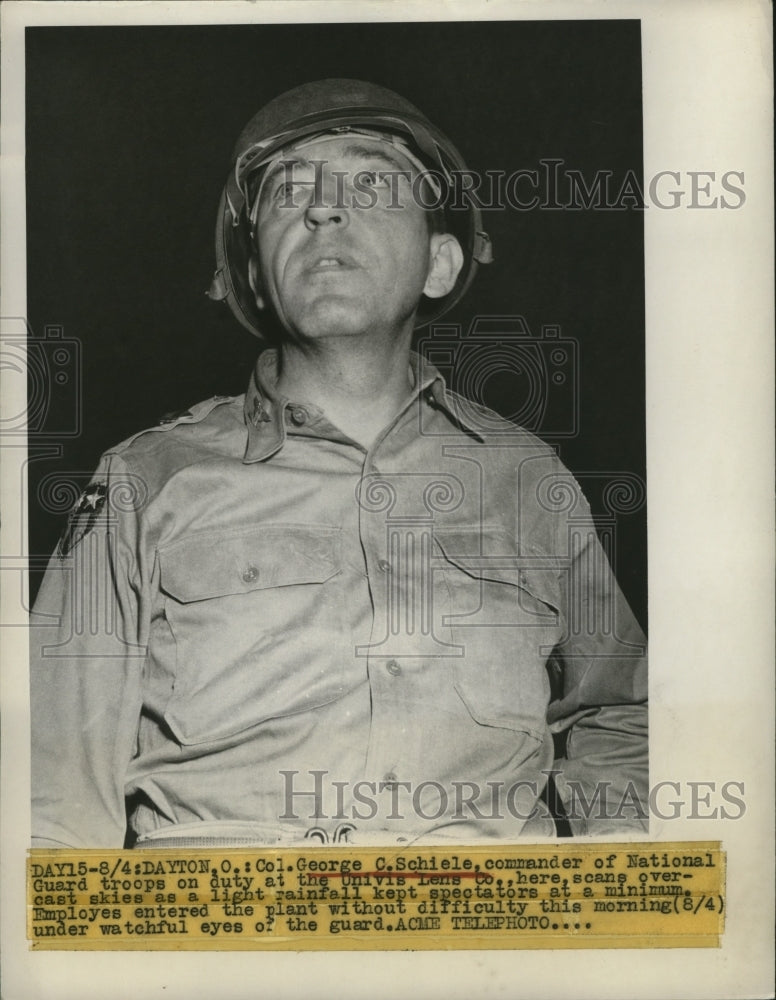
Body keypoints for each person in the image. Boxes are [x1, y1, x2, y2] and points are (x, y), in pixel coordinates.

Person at [30, 79, 647, 849]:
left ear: (440, 263)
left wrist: (616, 873)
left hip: (485, 940)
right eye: (289, 194)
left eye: (372, 184)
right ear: (255, 273)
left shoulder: (530, 480)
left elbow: (616, 713)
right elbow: (48, 803)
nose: (323, 209)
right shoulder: (143, 482)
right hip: (221, 945)